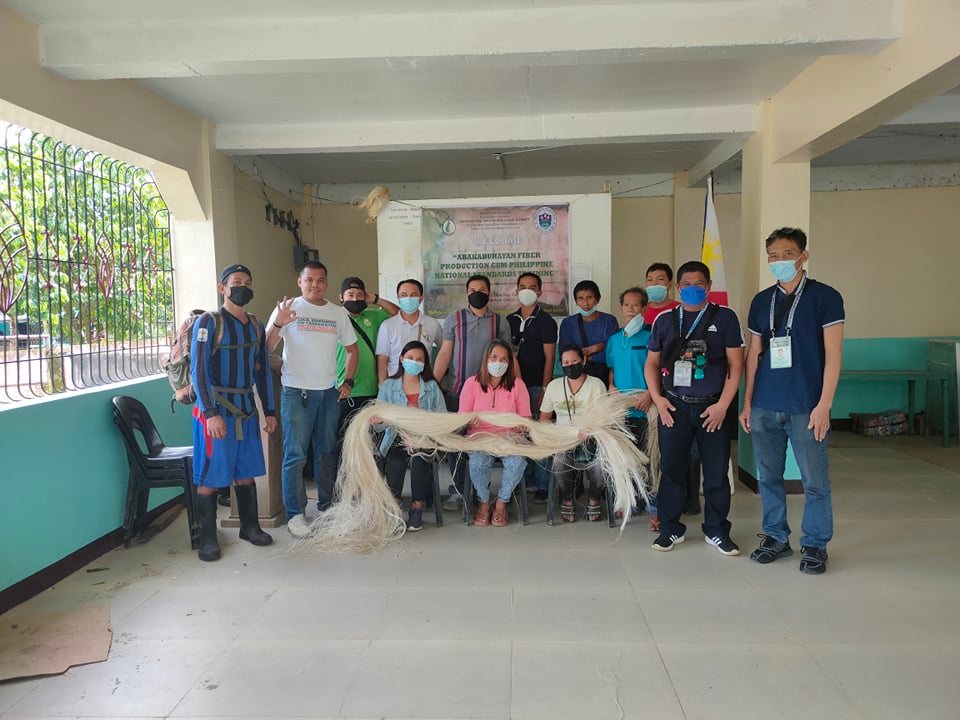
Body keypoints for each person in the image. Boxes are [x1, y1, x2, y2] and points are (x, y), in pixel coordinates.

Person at [739, 227, 844, 575]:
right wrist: (748, 402)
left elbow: (833, 353)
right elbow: (754, 354)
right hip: (766, 404)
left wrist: (824, 404)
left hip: (806, 406)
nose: (779, 261)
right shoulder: (761, 301)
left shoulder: (825, 297)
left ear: (803, 256)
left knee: (814, 481)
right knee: (768, 476)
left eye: (786, 254)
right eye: (773, 255)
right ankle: (775, 536)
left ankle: (814, 544)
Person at [644, 261, 744, 555]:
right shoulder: (664, 319)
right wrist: (658, 399)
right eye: (685, 284)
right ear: (677, 287)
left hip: (712, 409)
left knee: (715, 472)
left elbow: (736, 366)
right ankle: (670, 529)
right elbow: (651, 363)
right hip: (673, 407)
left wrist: (723, 405)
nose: (691, 289)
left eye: (698, 283)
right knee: (672, 469)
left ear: (709, 286)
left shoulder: (724, 318)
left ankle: (716, 530)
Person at [190, 264, 277, 562]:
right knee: (212, 476)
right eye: (236, 281)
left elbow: (262, 369)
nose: (243, 286)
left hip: (246, 410)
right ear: (222, 288)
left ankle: (249, 528)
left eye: (248, 282)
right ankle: (208, 538)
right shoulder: (208, 322)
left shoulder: (256, 324)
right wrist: (210, 412)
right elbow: (198, 371)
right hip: (216, 411)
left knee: (245, 473)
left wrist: (269, 410)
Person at [267, 261, 358, 538]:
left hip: (329, 392)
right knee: (294, 455)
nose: (314, 285)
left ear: (326, 283)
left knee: (326, 453)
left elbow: (353, 350)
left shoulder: (337, 313)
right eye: (309, 280)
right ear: (300, 281)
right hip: (296, 391)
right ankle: (295, 514)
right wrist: (279, 322)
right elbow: (266, 347)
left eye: (320, 281)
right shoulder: (287, 308)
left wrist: (348, 381)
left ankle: (327, 507)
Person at [433, 275, 513, 509]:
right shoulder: (454, 319)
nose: (477, 292)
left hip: (491, 398)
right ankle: (458, 491)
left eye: (481, 289)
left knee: (486, 444)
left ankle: (483, 493)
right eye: (472, 289)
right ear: (466, 293)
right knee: (456, 445)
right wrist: (434, 384)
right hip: (456, 392)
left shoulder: (501, 322)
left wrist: (515, 387)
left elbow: (509, 357)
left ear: (490, 292)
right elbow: (445, 354)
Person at [372, 340, 446, 531]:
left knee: (420, 461)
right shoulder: (388, 386)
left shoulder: (431, 387)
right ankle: (395, 507)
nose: (415, 362)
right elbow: (379, 429)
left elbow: (442, 419)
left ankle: (417, 508)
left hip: (424, 438)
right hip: (396, 437)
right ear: (402, 359)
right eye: (411, 358)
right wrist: (378, 421)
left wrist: (422, 422)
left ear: (424, 363)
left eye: (419, 359)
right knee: (396, 461)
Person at [333, 276, 398, 487]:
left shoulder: (373, 316)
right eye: (350, 295)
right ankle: (347, 488)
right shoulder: (333, 317)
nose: (355, 299)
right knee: (345, 444)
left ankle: (373, 487)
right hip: (342, 390)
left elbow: (397, 313)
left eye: (359, 295)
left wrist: (375, 299)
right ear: (340, 297)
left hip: (371, 391)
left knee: (372, 444)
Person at [458, 339, 531, 527]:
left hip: (510, 438)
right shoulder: (471, 384)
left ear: (510, 363)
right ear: (486, 359)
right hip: (480, 438)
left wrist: (522, 425)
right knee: (477, 464)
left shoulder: (518, 385)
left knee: (517, 463)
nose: (498, 363)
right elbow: (461, 418)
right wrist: (468, 420)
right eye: (494, 357)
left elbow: (527, 419)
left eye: (504, 359)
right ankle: (483, 503)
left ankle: (500, 504)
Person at [606, 286, 658, 530]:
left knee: (651, 459)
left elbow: (659, 369)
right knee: (625, 458)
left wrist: (649, 394)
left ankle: (655, 507)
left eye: (635, 305)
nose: (630, 309)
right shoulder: (615, 340)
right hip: (622, 410)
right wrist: (611, 387)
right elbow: (612, 368)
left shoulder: (653, 335)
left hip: (647, 407)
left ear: (644, 308)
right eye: (626, 305)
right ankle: (628, 501)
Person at [540, 345, 609, 522]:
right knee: (560, 461)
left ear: (584, 361)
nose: (570, 366)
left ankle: (594, 498)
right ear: (561, 365)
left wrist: (591, 433)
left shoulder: (596, 385)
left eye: (574, 362)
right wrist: (552, 435)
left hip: (592, 439)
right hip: (563, 440)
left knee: (600, 465)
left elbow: (603, 418)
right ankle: (567, 499)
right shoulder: (554, 386)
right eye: (566, 363)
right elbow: (544, 419)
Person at [507, 272, 558, 504]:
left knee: (540, 435)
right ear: (516, 290)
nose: (527, 290)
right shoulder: (508, 321)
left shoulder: (546, 321)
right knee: (519, 435)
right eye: (522, 286)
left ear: (539, 291)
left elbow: (550, 358)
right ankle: (523, 480)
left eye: (532, 287)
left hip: (538, 386)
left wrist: (546, 389)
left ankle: (543, 484)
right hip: (515, 389)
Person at [376, 278, 443, 382]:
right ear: (398, 298)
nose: (408, 298)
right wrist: (382, 386)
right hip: (395, 386)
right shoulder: (387, 325)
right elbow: (382, 360)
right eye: (403, 295)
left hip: (424, 385)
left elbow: (445, 351)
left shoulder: (432, 324)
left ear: (421, 298)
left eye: (413, 295)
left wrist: (436, 380)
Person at [558, 280, 619, 384]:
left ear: (597, 299)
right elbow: (565, 354)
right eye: (580, 298)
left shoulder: (609, 321)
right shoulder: (568, 323)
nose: (585, 303)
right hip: (577, 377)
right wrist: (597, 348)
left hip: (605, 377)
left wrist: (588, 356)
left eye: (589, 298)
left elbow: (612, 354)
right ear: (576, 301)